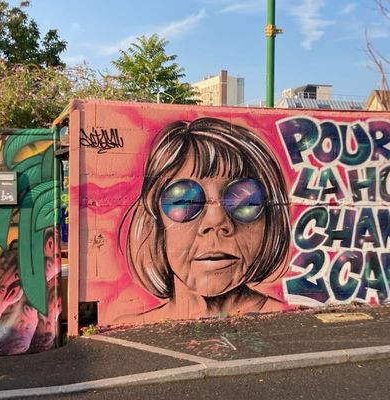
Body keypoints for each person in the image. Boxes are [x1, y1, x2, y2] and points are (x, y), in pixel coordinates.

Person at [122, 117, 291, 318]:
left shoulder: (283, 317)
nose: (216, 220)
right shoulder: (132, 326)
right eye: (185, 201)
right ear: (155, 220)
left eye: (244, 201)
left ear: (271, 220)